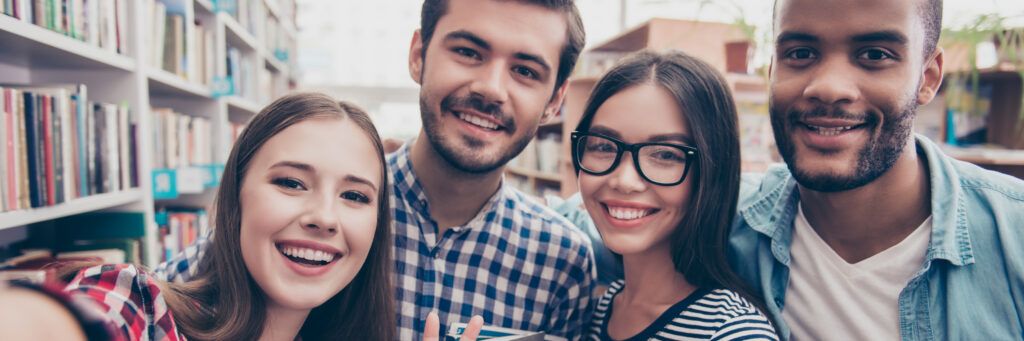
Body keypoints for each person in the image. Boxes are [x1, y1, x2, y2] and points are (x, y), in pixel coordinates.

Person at [158, 0, 597, 339]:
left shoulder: (564, 262)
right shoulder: (312, 211)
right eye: (467, 52)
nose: (490, 88)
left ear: (556, 100)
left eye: (525, 71)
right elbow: (160, 302)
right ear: (418, 56)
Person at [728, 0, 1024, 339]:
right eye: (800, 53)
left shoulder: (1014, 238)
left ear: (928, 77)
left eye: (875, 55)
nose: (829, 88)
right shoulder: (716, 226)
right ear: (772, 70)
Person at [0, 93, 397, 340]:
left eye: (354, 195)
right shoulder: (144, 309)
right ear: (235, 199)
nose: (325, 217)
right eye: (291, 183)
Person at [571, 51, 777, 340]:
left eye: (666, 155)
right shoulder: (605, 304)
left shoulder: (732, 333)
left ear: (710, 173)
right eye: (603, 147)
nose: (624, 181)